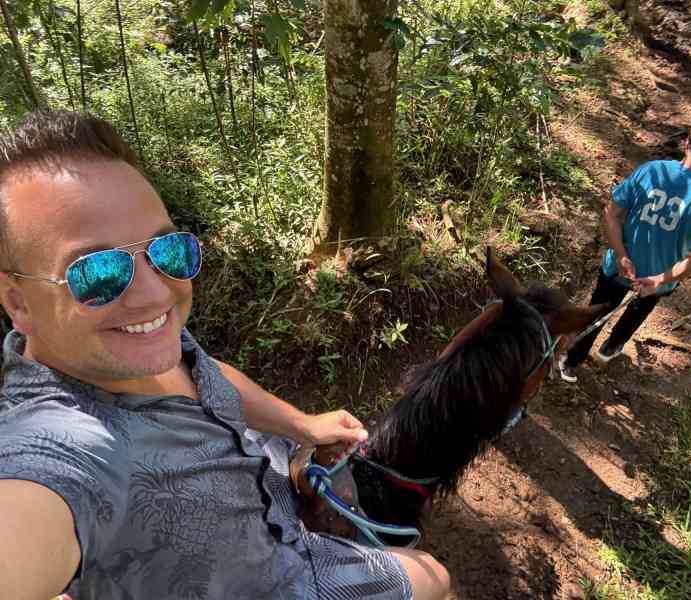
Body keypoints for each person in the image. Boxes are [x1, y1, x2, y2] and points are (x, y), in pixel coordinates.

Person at [0, 111, 450, 600]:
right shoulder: (54, 446)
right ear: (18, 302)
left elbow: (206, 373)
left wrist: (303, 425)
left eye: (165, 249)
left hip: (268, 498)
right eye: (97, 272)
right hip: (281, 583)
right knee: (434, 575)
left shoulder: (135, 342)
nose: (155, 294)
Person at [559, 112, 691, 382]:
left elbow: (611, 214)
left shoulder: (652, 170)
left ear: (687, 140)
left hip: (618, 268)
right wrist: (660, 279)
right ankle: (609, 350)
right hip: (658, 280)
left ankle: (571, 362)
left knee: (597, 312)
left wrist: (621, 255)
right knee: (636, 313)